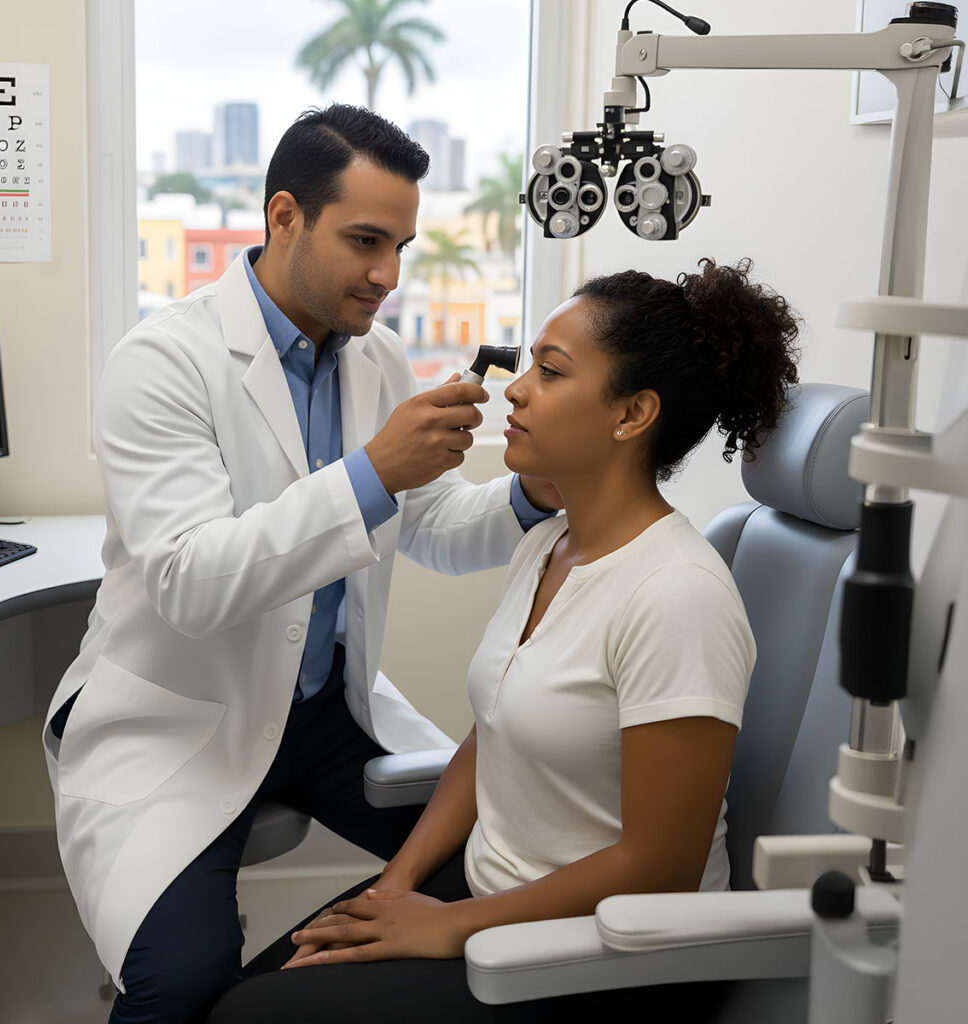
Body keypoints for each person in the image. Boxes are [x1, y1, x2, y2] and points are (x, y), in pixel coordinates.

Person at [42, 104, 560, 1024]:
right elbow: (190, 583)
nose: (388, 275)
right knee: (180, 981)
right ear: (285, 216)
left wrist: (535, 495)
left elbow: (431, 526)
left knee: (505, 859)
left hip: (325, 714)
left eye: (400, 246)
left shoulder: (377, 358)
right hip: (182, 717)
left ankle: (295, 996)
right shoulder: (162, 361)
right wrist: (373, 473)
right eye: (365, 241)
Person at [207, 256, 802, 1023]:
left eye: (550, 372)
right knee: (242, 994)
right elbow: (489, 737)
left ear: (632, 414)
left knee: (247, 1018)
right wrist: (397, 885)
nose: (516, 390)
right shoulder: (549, 543)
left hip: (607, 957)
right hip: (496, 898)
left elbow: (660, 868)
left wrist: (449, 926)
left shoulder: (677, 595)